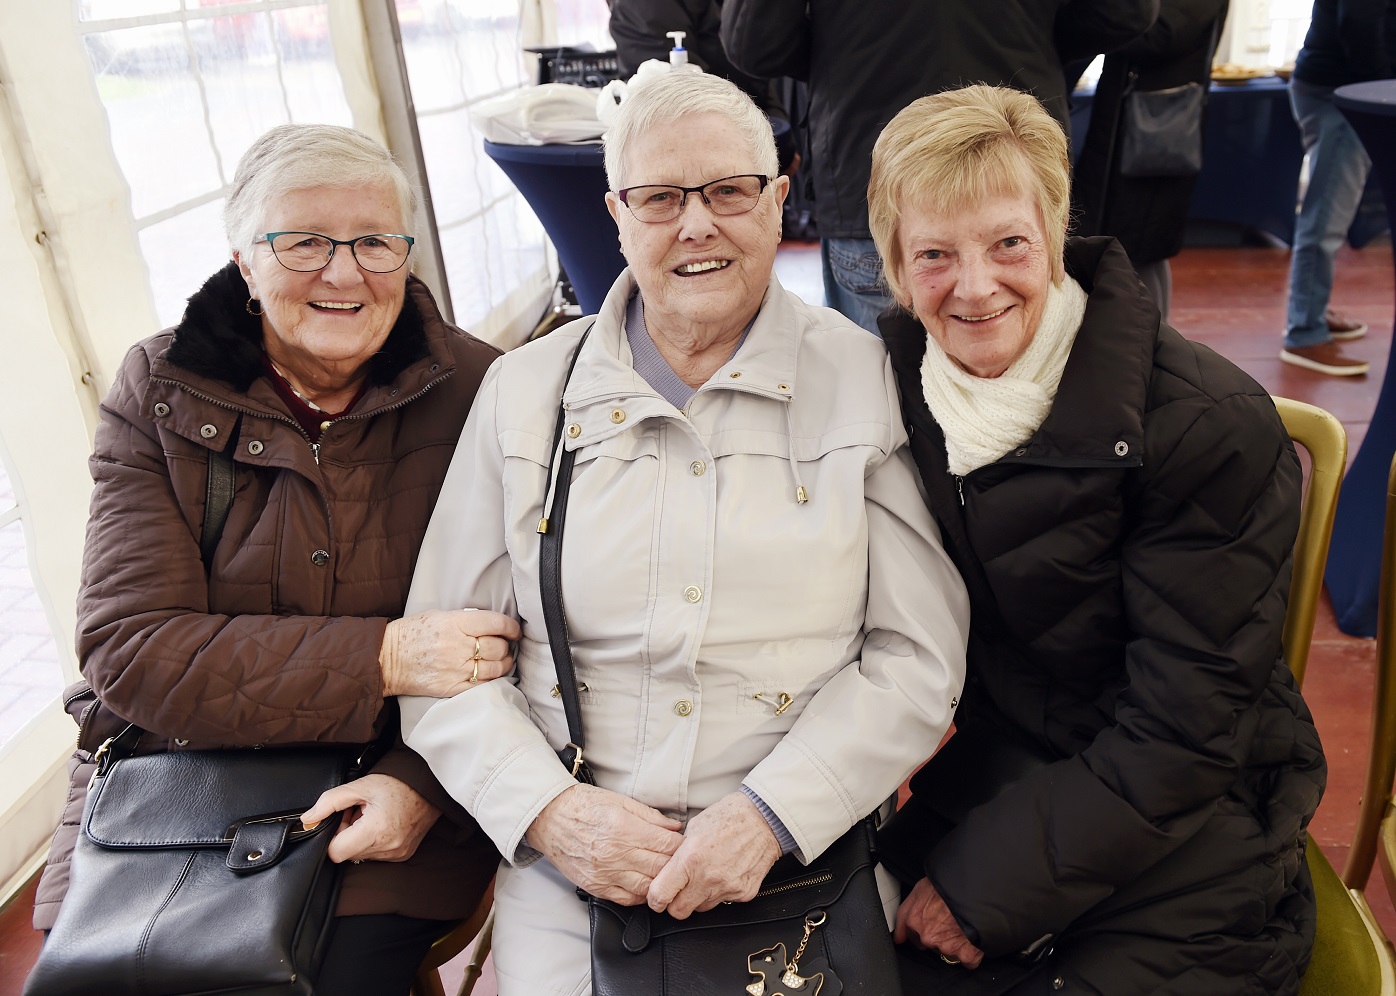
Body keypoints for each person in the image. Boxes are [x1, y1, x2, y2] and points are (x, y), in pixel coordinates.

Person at [399, 69, 970, 995]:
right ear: (616, 213)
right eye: (660, 198)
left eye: (729, 191)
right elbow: (443, 668)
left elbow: (916, 658)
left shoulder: (866, 381)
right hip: (572, 865)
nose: (696, 224)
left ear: (780, 199)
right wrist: (550, 814)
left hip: (801, 854)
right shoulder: (526, 395)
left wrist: (769, 816)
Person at [31, 124, 515, 995]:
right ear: (244, 262)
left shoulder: (485, 389)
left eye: (375, 241)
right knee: (107, 976)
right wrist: (387, 657)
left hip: (396, 778)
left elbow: (528, 633)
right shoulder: (161, 389)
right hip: (176, 779)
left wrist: (426, 786)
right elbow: (131, 649)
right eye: (304, 243)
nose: (344, 272)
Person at [868, 85, 1325, 994]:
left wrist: (977, 886)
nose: (974, 284)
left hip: (1196, 819)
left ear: (1056, 231)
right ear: (889, 263)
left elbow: (1188, 731)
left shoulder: (1204, 425)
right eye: (933, 254)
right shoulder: (897, 395)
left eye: (1008, 243)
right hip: (1000, 781)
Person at [721, 0, 1159, 333]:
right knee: (1024, 375)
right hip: (1010, 154)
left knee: (881, 393)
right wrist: (1033, 42)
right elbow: (1126, 10)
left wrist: (837, 57)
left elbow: (754, 41)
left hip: (868, 148)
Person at [1071, 0, 1229, 321]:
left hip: (1156, 133)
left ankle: (1149, 349)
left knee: (1142, 250)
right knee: (1132, 248)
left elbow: (1160, 35)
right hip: (1131, 126)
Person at [1278, 0, 1396, 376]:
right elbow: (1360, 23)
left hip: (1333, 87)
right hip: (1341, 94)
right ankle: (1305, 335)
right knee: (1326, 216)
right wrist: (1380, 91)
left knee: (1328, 213)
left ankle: (1310, 309)